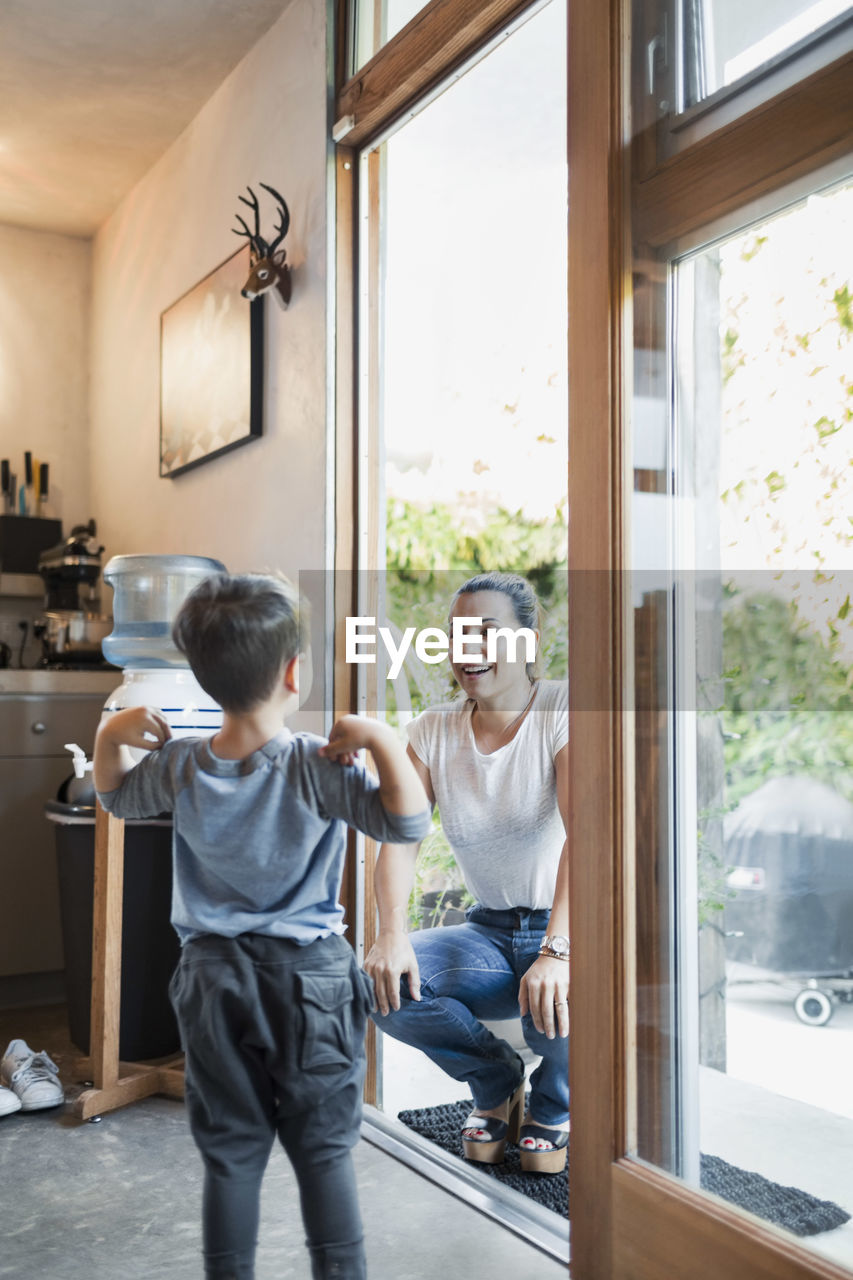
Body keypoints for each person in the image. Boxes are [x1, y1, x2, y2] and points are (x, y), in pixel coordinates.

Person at [93, 572, 431, 1280]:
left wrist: (110, 735)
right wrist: (381, 738)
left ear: (201, 675)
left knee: (232, 1155)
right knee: (323, 1153)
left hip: (213, 981)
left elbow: (117, 800)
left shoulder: (181, 764)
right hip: (310, 979)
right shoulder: (318, 765)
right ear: (293, 673)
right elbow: (406, 821)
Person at [364, 571, 569, 1174]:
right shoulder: (432, 731)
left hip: (566, 930)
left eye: (487, 632)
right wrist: (391, 933)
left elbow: (587, 838)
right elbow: (399, 841)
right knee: (383, 986)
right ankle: (497, 1079)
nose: (468, 650)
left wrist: (558, 950)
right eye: (457, 635)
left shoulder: (561, 707)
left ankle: (556, 1102)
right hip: (490, 933)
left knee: (558, 1003)